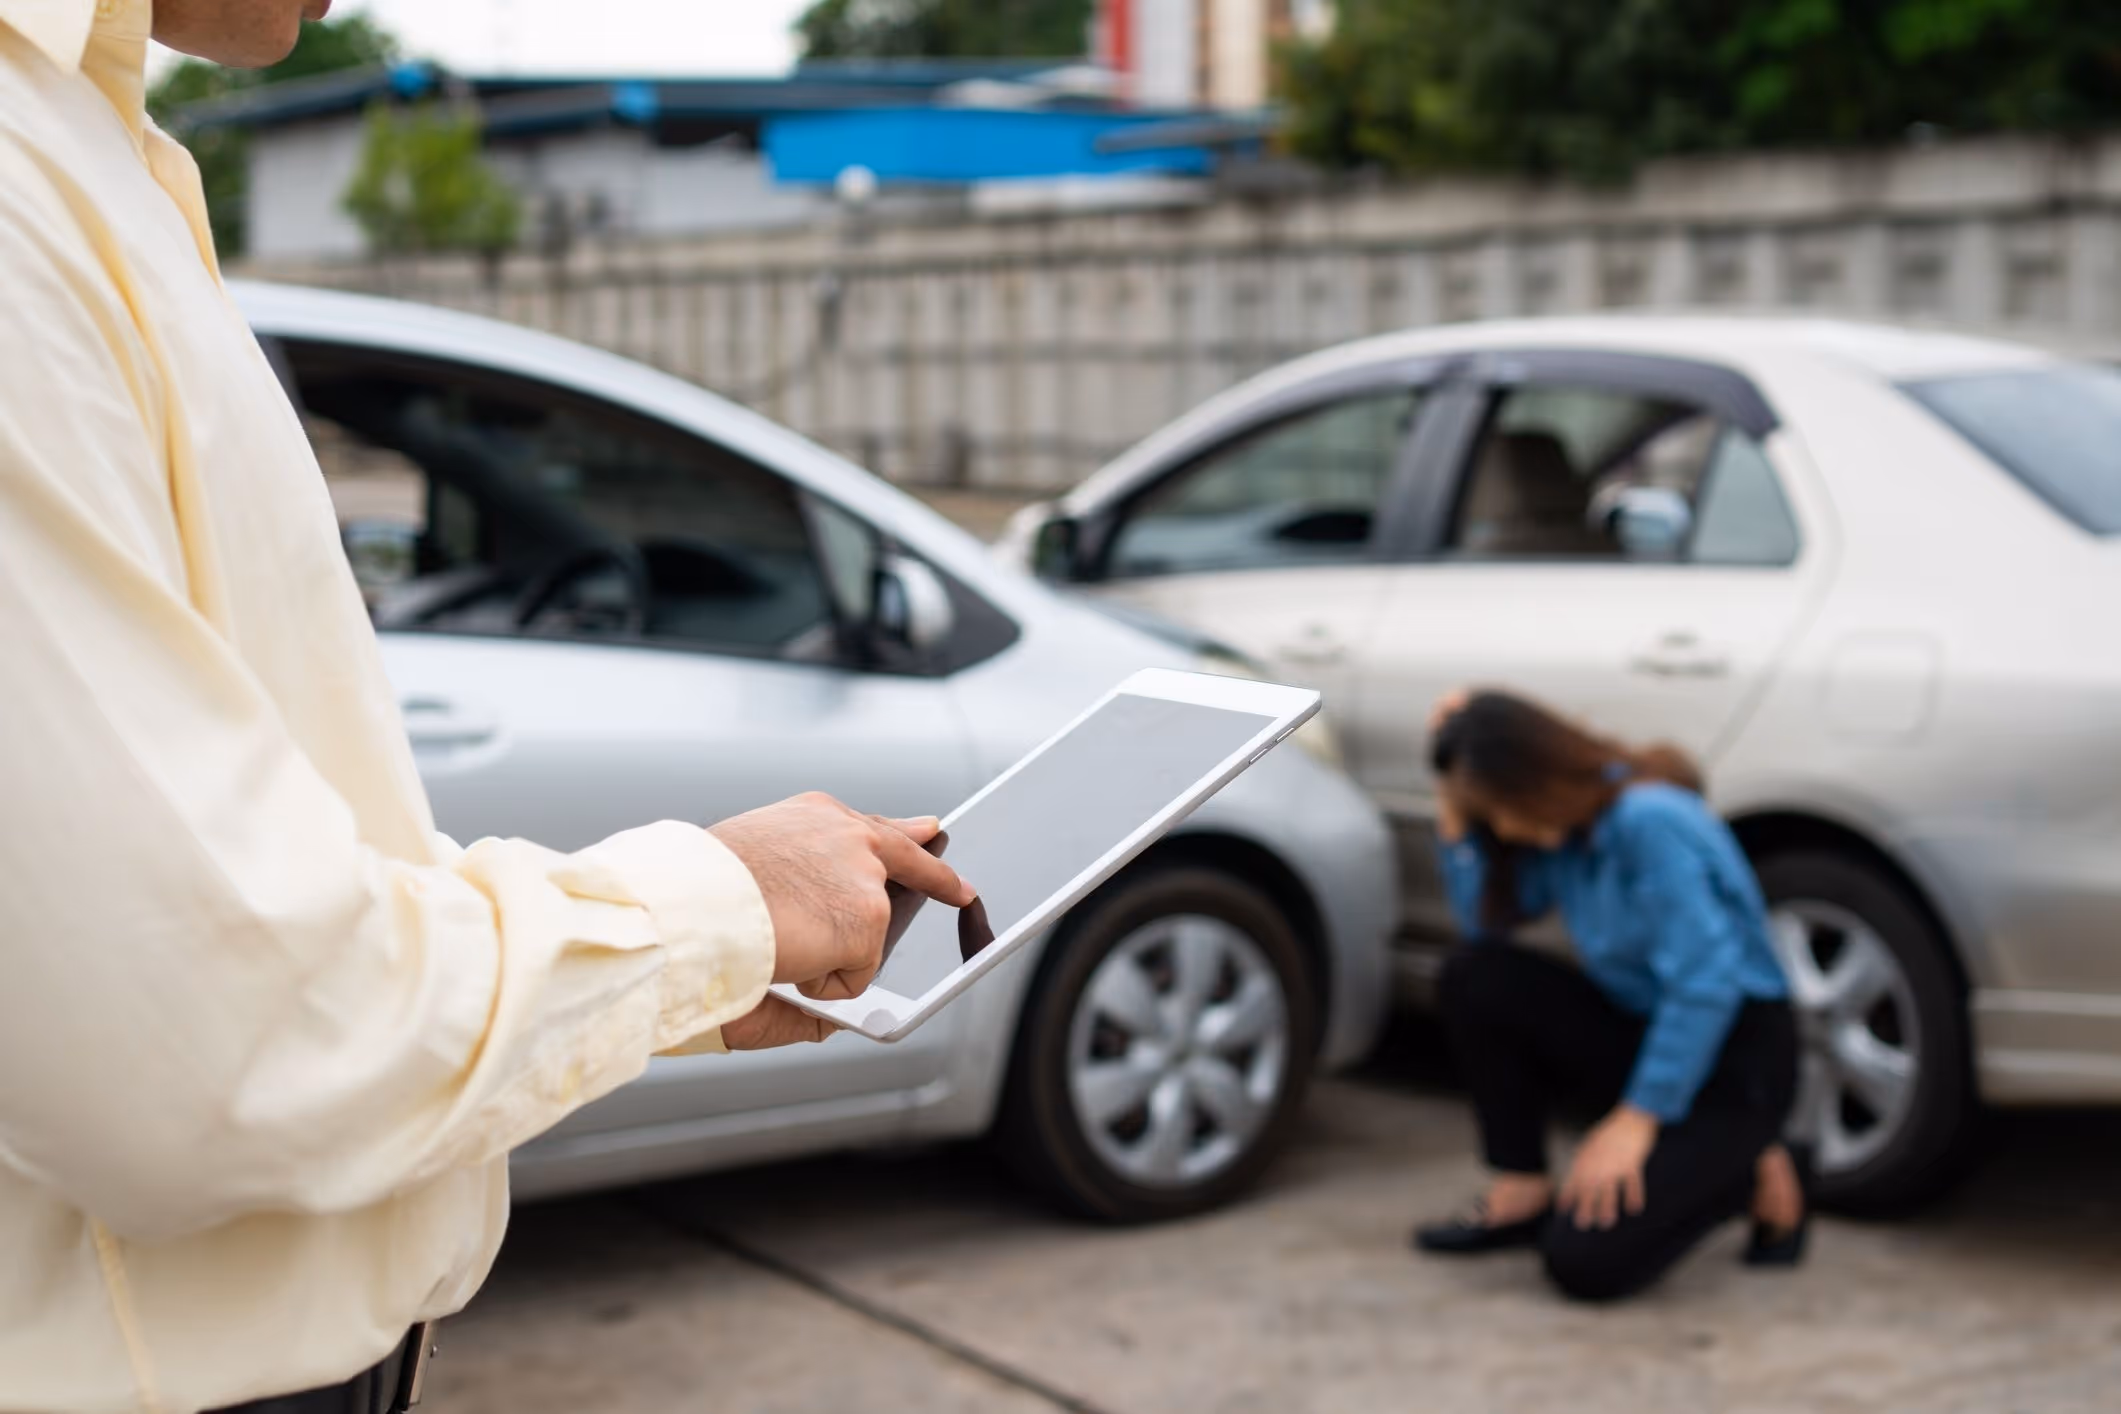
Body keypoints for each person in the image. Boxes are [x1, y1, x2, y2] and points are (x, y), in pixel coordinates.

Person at [0, 2, 975, 1411]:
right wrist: (713, 907)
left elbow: (255, 930)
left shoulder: (86, 145)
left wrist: (685, 970)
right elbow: (219, 1054)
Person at [1410, 689, 1808, 1302]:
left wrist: (1635, 1119)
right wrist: (1450, 797)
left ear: (1532, 783)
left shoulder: (1650, 820)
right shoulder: (1567, 836)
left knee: (1584, 1263)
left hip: (1736, 1057)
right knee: (1476, 974)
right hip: (1647, 1032)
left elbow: (1706, 983)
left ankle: (1750, 1164)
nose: (1504, 829)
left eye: (1498, 809)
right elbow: (1482, 925)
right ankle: (1521, 1190)